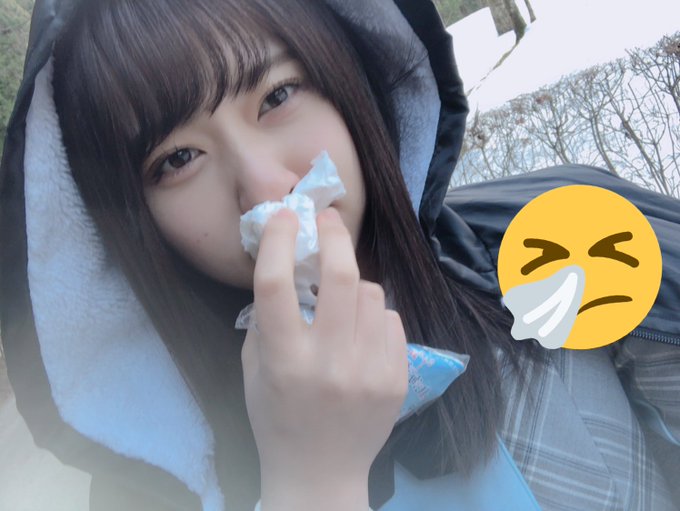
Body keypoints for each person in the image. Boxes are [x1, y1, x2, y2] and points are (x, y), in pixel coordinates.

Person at [1, 0, 679, 510]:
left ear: (349, 75)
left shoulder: (553, 250)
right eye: (178, 159)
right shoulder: (154, 488)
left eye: (277, 96)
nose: (267, 188)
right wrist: (310, 482)